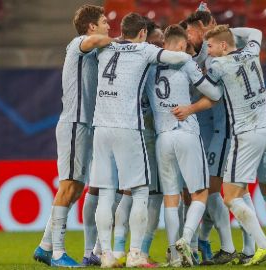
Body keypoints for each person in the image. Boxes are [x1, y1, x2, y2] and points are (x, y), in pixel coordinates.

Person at [180, 24, 266, 266]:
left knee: (230, 196)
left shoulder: (217, 65)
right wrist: (227, 30)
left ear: (223, 45)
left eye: (210, 46)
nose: (207, 50)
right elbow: (256, 33)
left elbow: (212, 94)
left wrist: (189, 103)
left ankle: (263, 246)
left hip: (246, 135)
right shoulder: (251, 52)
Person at [90, 12, 191, 268]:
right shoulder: (145, 50)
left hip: (101, 127)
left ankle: (106, 255)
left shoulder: (106, 46)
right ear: (143, 33)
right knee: (141, 191)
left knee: (106, 193)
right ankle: (136, 253)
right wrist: (185, 52)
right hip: (128, 128)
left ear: (122, 30)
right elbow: (176, 57)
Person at [32, 4, 114, 267]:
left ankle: (45, 246)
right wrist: (129, 43)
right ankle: (57, 253)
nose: (108, 25)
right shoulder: (79, 43)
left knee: (76, 187)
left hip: (84, 125)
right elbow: (97, 40)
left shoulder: (90, 49)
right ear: (91, 27)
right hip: (74, 123)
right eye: (104, 21)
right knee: (67, 186)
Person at [145, 24, 220, 267]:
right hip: (186, 131)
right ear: (179, 45)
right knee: (200, 193)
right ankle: (186, 240)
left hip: (162, 137)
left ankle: (176, 258)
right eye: (186, 46)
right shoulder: (186, 62)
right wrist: (190, 107)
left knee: (171, 197)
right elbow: (214, 94)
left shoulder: (149, 65)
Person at [112, 18, 164, 266]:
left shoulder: (121, 59)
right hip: (147, 134)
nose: (160, 46)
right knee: (150, 194)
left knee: (126, 193)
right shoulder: (152, 61)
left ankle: (118, 249)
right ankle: (139, 252)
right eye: (157, 41)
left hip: (125, 130)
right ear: (145, 37)